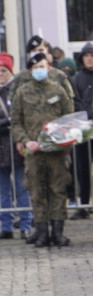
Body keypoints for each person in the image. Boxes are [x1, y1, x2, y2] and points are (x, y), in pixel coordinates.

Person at [11, 52, 74, 247]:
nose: (40, 70)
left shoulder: (58, 90)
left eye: (43, 66)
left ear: (49, 68)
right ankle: (41, 231)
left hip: (55, 151)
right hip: (33, 152)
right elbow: (16, 121)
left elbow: (68, 117)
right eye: (36, 67)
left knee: (58, 190)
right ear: (31, 70)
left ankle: (57, 231)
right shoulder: (22, 92)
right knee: (37, 191)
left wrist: (63, 141)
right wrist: (25, 140)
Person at [68, 42, 93, 218]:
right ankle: (83, 204)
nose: (89, 59)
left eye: (92, 55)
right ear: (82, 59)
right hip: (82, 128)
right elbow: (74, 101)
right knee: (82, 167)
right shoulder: (76, 78)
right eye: (86, 56)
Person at [0, 53, 31, 239]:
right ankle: (6, 225)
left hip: (17, 146)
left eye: (3, 70)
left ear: (10, 71)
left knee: (22, 188)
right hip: (0, 148)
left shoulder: (18, 90)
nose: (0, 74)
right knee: (2, 190)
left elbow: (22, 116)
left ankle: (26, 223)